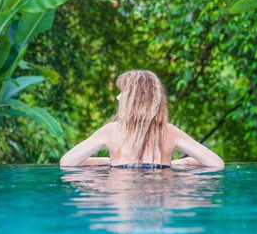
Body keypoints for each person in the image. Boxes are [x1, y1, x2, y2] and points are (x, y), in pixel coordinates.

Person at [59, 70, 225, 169]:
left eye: (122, 93)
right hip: (161, 187)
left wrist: (109, 162)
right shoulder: (170, 132)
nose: (118, 97)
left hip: (121, 186)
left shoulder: (111, 131)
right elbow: (217, 164)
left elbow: (67, 162)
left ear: (133, 100)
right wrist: (182, 162)